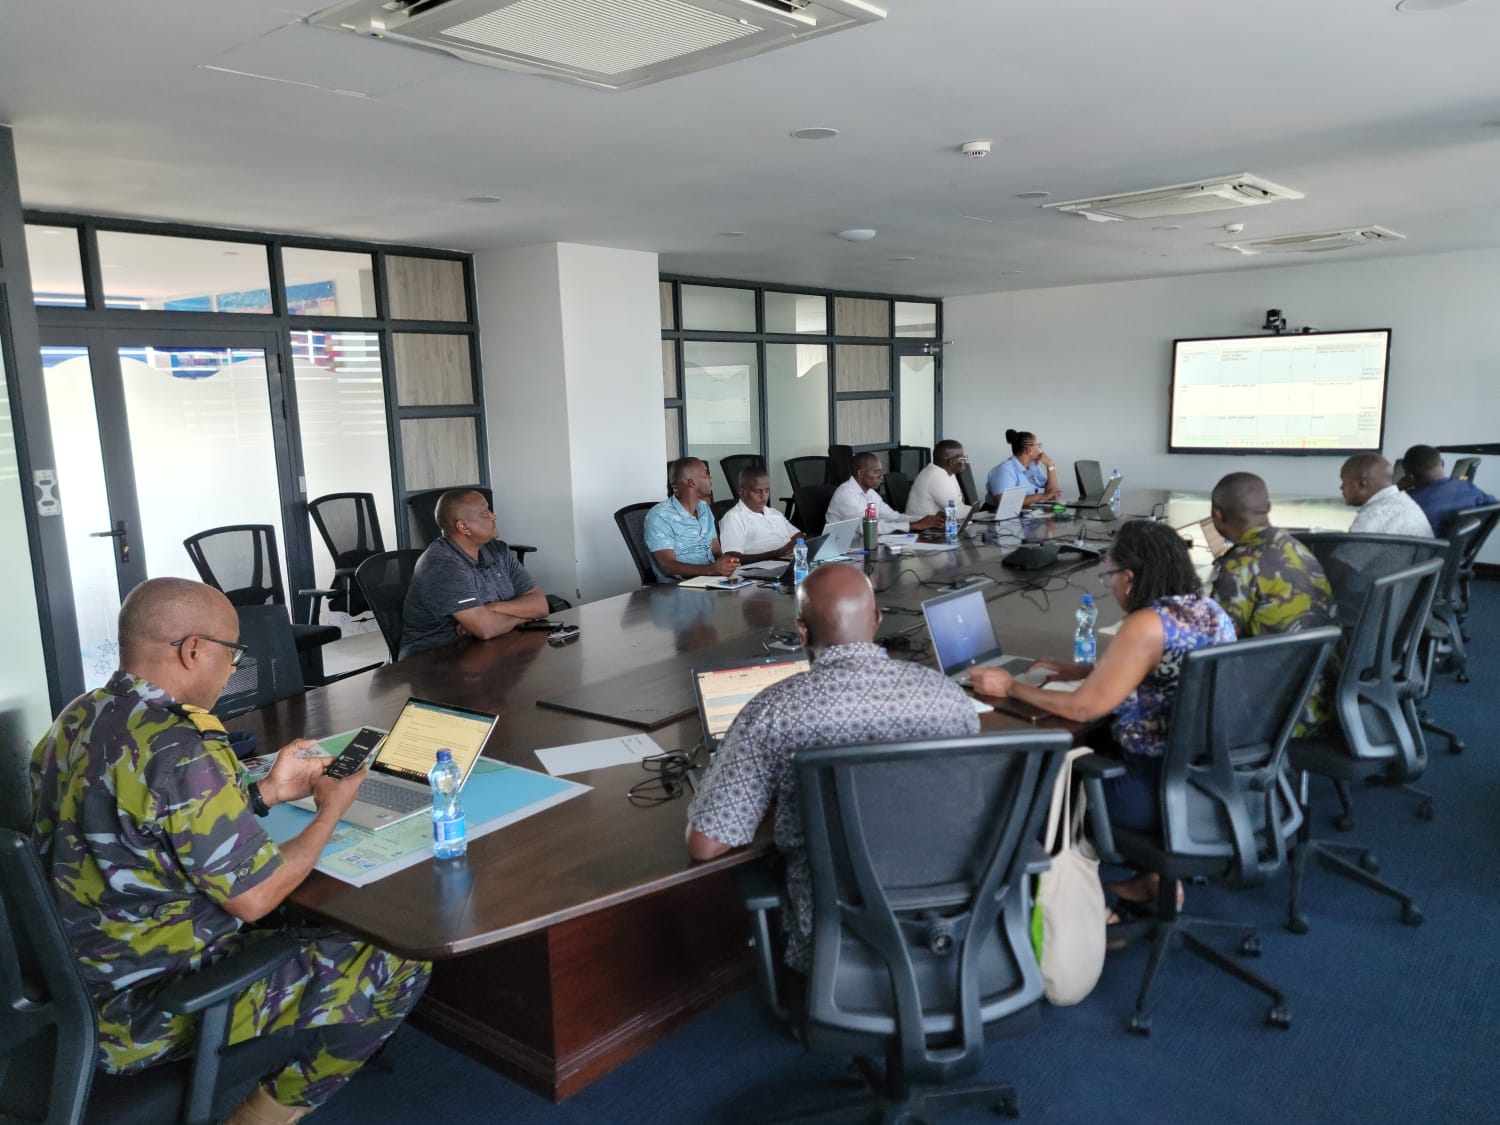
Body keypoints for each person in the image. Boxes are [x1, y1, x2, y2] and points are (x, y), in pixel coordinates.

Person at [30, 578, 430, 1125]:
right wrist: (332, 807)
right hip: (151, 1006)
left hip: (73, 986)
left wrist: (268, 791)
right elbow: (257, 897)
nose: (233, 668)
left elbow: (141, 818)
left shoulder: (77, 717)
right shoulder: (178, 747)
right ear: (193, 649)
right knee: (398, 958)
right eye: (232, 653)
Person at [685, 563, 978, 977]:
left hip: (833, 934)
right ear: (876, 621)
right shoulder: (947, 696)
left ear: (801, 631)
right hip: (949, 919)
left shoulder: (774, 711)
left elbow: (705, 844)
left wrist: (778, 797)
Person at [969, 520, 1236, 907]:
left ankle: (1079, 910)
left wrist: (1009, 687)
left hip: (1149, 790)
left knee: (1034, 785)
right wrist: (1082, 671)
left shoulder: (1147, 623)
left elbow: (1082, 708)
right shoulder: (1207, 609)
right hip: (1202, 779)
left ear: (1129, 578)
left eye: (1109, 575)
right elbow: (1166, 674)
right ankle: (1155, 879)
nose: (1109, 585)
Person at [1208, 472, 1335, 731]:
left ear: (1218, 515)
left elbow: (1215, 644)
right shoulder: (1296, 547)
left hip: (1274, 707)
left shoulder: (1240, 563)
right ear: (1268, 508)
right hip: (1320, 693)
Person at [401, 488, 549, 659]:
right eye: (485, 513)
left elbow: (540, 605)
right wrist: (524, 616)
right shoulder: (442, 565)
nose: (494, 517)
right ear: (463, 526)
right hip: (434, 661)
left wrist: (493, 608)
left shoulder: (498, 550)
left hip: (486, 650)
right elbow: (486, 629)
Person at [643, 457, 741, 582]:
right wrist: (712, 570)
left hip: (712, 581)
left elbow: (716, 551)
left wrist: (727, 565)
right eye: (706, 474)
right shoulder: (659, 516)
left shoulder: (704, 508)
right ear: (691, 483)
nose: (710, 479)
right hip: (679, 589)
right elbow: (667, 566)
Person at [825, 452, 942, 534]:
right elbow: (865, 528)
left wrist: (925, 520)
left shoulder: (870, 493)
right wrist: (913, 526)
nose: (881, 476)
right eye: (876, 472)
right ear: (861, 473)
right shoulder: (846, 494)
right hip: (844, 553)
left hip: (865, 547)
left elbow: (893, 517)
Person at [1402, 444, 1497, 534]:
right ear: (1442, 463)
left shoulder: (1409, 502)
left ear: (1409, 476)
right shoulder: (1467, 486)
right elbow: (1495, 507)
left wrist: (1398, 490)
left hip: (1424, 549)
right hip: (1461, 549)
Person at [717, 466, 802, 563]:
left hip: (789, 562)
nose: (764, 497)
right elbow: (731, 557)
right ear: (742, 492)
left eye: (767, 491)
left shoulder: (774, 513)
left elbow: (797, 536)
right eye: (757, 491)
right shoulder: (734, 518)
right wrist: (775, 554)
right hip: (761, 569)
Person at [1341, 453, 1432, 537]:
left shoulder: (1373, 514)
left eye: (1344, 482)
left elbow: (1347, 553)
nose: (1341, 487)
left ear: (1361, 484)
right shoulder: (1402, 501)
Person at [986, 429, 1063, 508]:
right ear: (1028, 450)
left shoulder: (1033, 467)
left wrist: (1050, 465)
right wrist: (1040, 497)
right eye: (1037, 445)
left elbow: (1053, 493)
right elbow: (1002, 501)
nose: (1040, 449)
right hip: (1000, 517)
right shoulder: (1005, 470)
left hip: (1029, 514)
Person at [905, 439, 973, 521]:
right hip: (922, 530)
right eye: (963, 458)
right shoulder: (936, 476)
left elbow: (958, 504)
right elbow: (956, 513)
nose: (965, 461)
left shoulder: (946, 473)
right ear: (952, 462)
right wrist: (977, 511)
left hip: (936, 526)